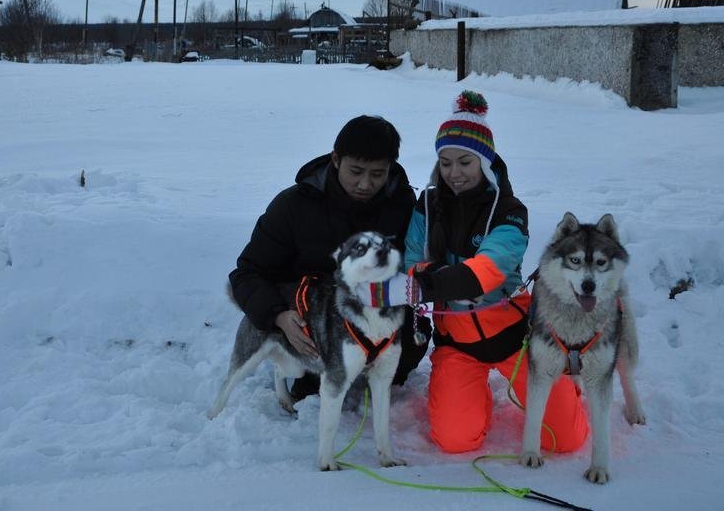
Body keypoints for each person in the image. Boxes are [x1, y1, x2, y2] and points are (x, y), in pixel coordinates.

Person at [367, 91, 588, 454]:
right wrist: (425, 275)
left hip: (518, 339)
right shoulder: (426, 205)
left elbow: (488, 271)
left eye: (465, 162)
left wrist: (430, 281)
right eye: (446, 162)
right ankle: (472, 393)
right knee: (455, 441)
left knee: (565, 441)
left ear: (484, 163)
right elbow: (408, 263)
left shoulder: (510, 211)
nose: (454, 173)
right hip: (458, 345)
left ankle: (564, 387)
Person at [229, 115, 431, 399]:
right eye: (356, 171)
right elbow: (247, 273)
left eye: (377, 174)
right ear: (336, 159)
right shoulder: (294, 205)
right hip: (309, 313)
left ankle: (371, 371)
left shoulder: (402, 204)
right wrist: (278, 317)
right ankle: (309, 374)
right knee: (314, 368)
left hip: (372, 307)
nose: (365, 184)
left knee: (410, 338)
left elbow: (413, 267)